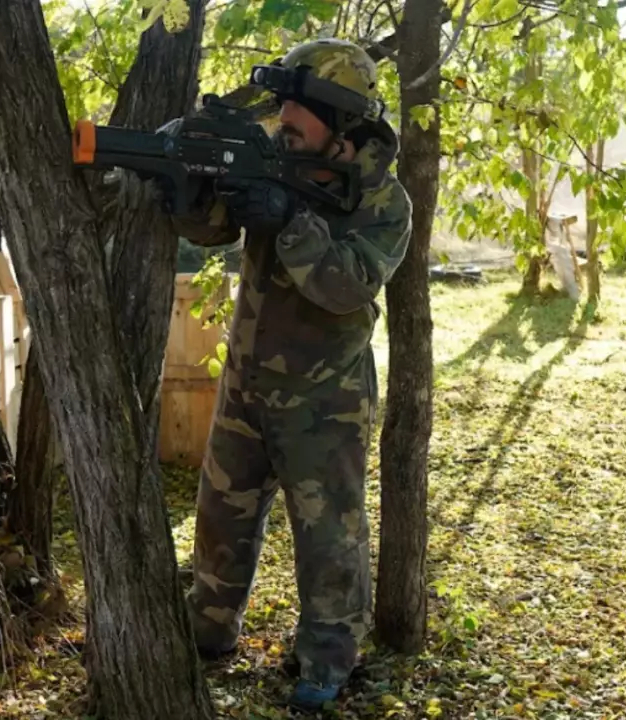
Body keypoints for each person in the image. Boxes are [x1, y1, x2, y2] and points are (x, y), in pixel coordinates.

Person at [162, 38, 412, 710]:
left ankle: (327, 663)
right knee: (218, 519)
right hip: (245, 386)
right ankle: (209, 632)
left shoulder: (384, 202)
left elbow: (347, 286)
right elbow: (212, 228)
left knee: (329, 536)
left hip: (323, 403)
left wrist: (291, 222)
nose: (285, 116)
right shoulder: (276, 161)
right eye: (283, 104)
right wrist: (188, 187)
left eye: (300, 106)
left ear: (342, 122)